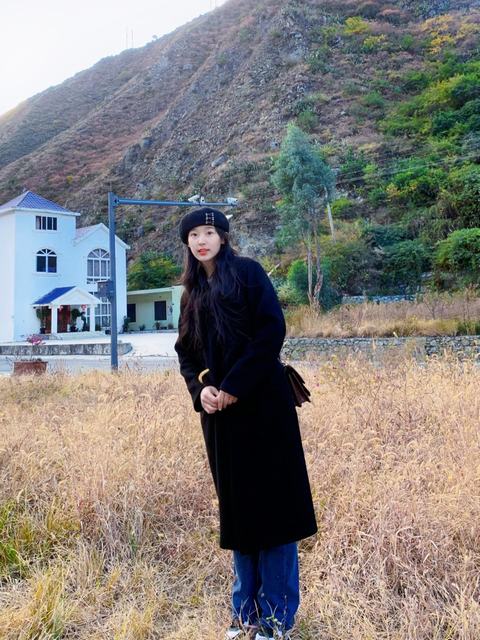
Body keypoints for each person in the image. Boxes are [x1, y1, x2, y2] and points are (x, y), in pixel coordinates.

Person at [174, 207, 317, 640]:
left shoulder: (249, 274)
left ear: (223, 237)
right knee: (239, 514)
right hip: (221, 418)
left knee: (276, 512)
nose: (201, 241)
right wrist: (201, 390)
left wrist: (235, 385)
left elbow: (271, 332)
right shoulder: (191, 293)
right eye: (194, 235)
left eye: (209, 232)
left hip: (265, 408)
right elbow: (186, 354)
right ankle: (244, 616)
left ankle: (276, 620)